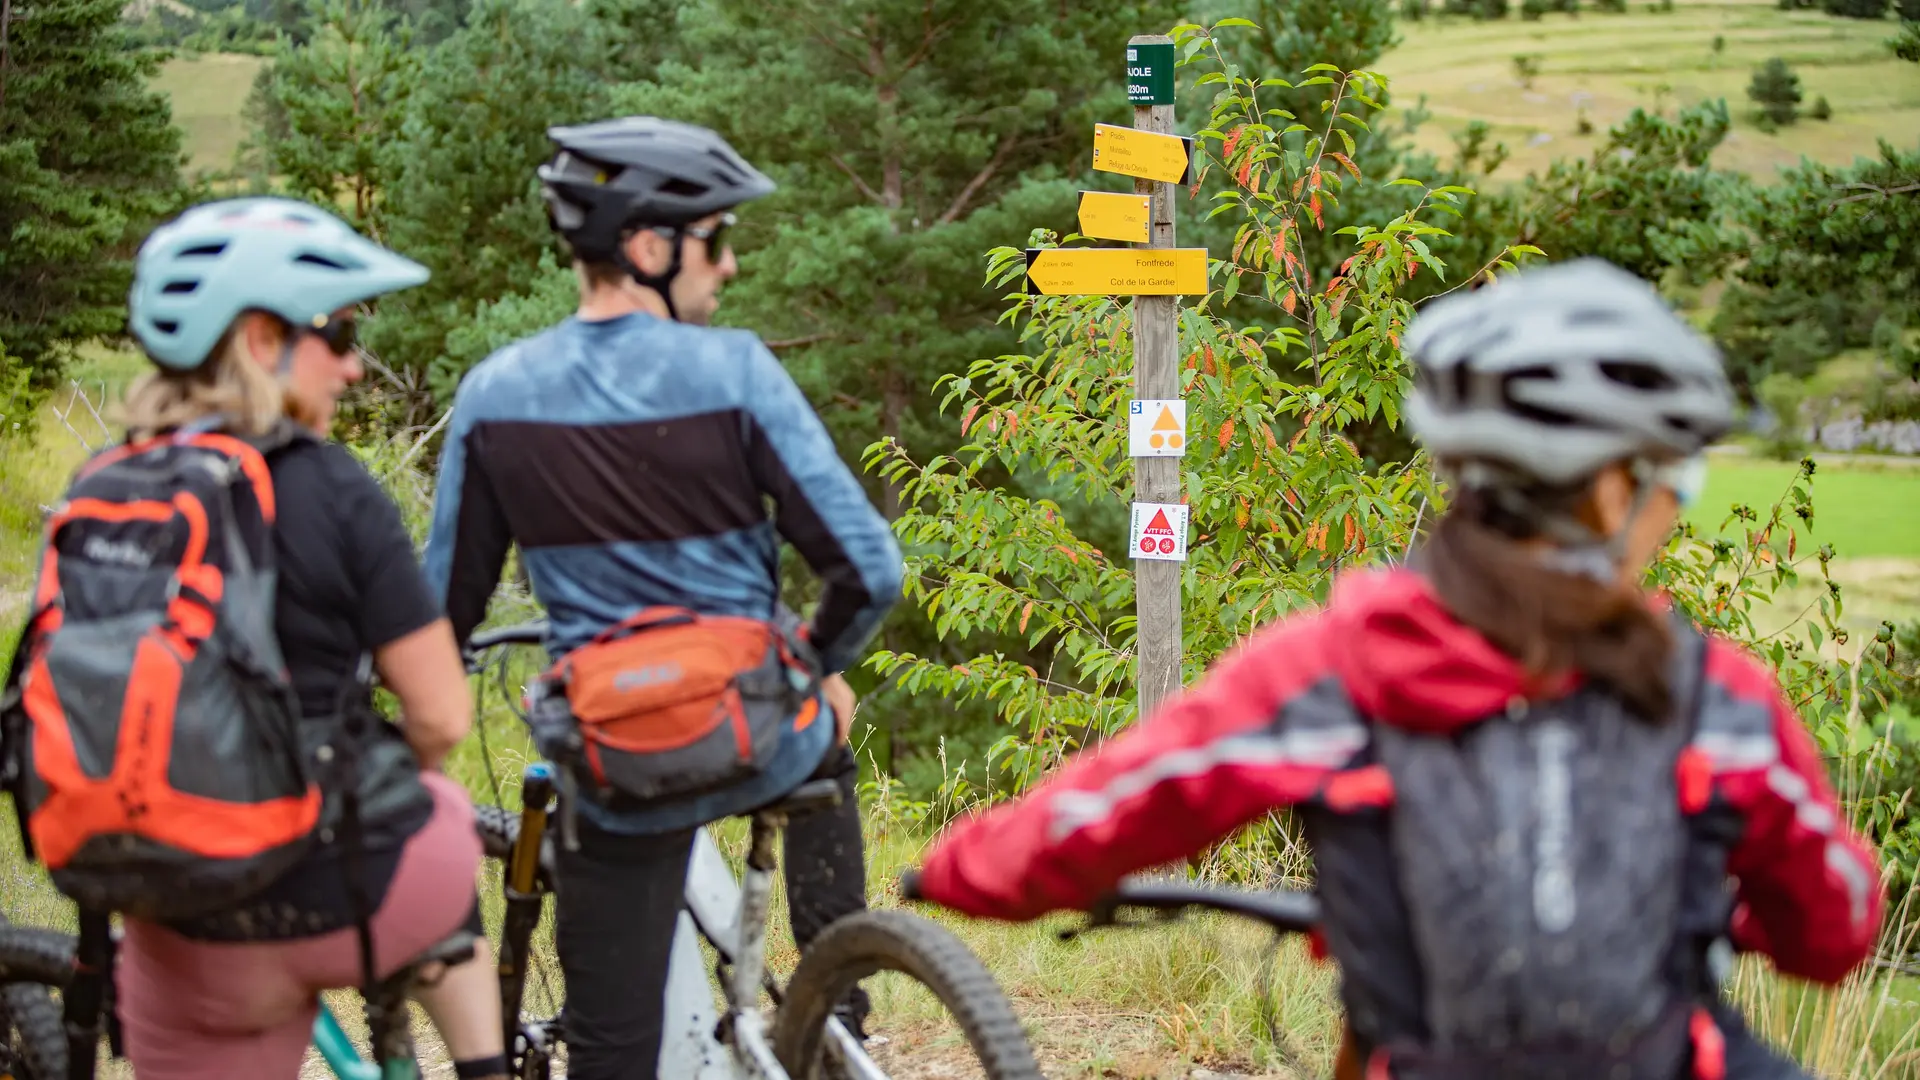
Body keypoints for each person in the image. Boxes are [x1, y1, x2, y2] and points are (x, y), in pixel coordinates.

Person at [903, 258, 1885, 1080]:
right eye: (1675, 475)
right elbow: (1835, 926)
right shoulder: (1717, 700)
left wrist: (954, 871)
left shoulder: (1334, 672)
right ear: (1608, 492)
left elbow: (1097, 813)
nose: (1678, 501)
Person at [422, 115, 903, 1080]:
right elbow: (870, 569)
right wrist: (806, 665)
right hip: (755, 732)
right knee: (828, 733)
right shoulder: (734, 373)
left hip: (617, 761)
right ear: (648, 249)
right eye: (714, 242)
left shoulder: (494, 394)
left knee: (611, 1041)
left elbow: (444, 611)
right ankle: (837, 1011)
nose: (725, 267)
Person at [105, 197, 508, 1080]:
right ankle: (485, 1066)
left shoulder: (114, 487)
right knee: (437, 813)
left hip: (171, 911)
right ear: (259, 340)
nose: (355, 367)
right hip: (347, 893)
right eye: (335, 334)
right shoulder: (331, 488)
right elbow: (439, 716)